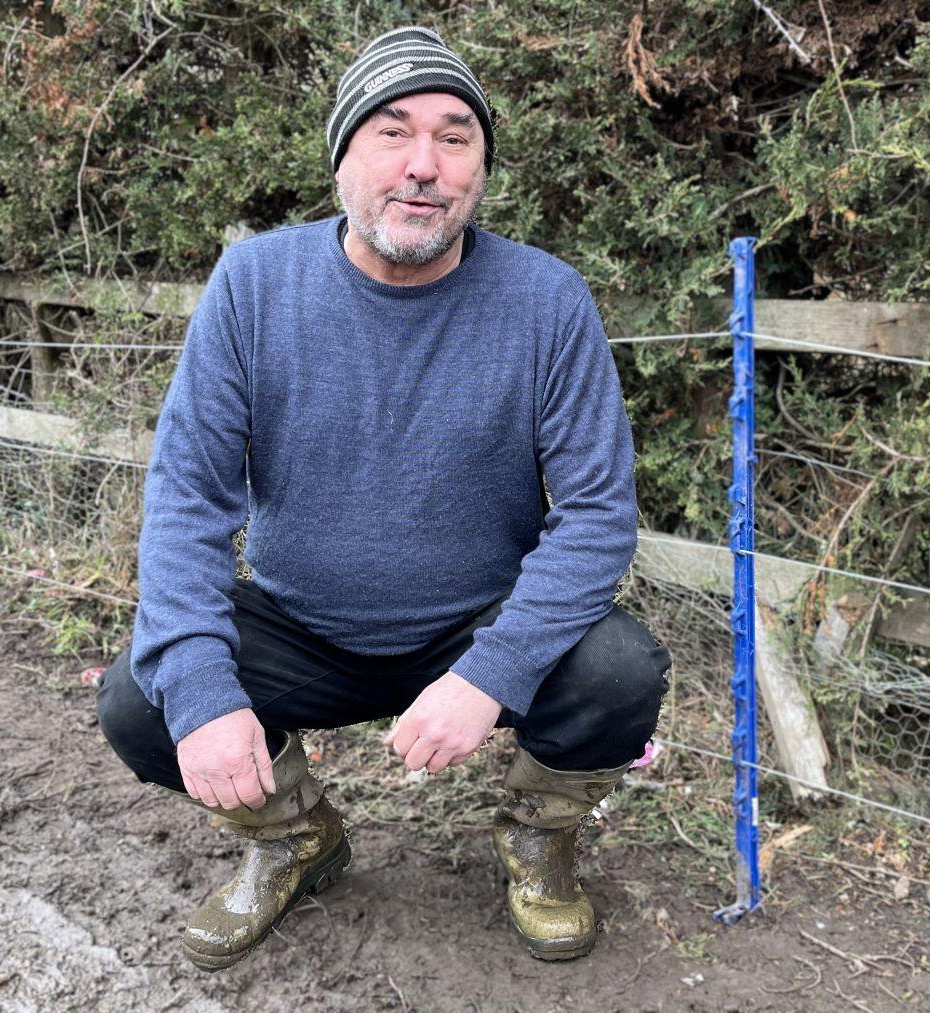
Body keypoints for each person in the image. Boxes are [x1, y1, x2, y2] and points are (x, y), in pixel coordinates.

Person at [94, 25, 673, 973]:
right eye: (391, 133)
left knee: (616, 670)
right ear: (342, 159)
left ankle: (539, 835)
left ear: (480, 170)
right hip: (301, 624)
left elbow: (599, 514)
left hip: (471, 629)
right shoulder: (254, 286)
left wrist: (491, 673)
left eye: (455, 139)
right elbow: (188, 497)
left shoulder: (547, 301)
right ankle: (292, 835)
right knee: (143, 696)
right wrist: (201, 689)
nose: (423, 167)